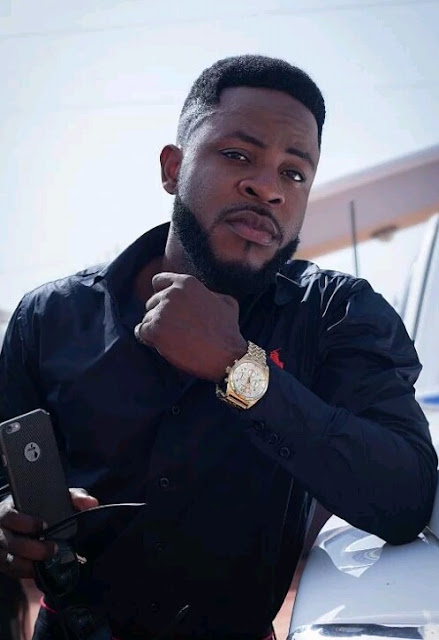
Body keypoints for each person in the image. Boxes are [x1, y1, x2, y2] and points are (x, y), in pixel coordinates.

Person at [0, 54, 437, 640]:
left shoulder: (336, 315)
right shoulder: (48, 317)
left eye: (295, 173)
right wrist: (11, 522)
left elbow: (407, 497)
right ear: (173, 168)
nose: (268, 188)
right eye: (237, 155)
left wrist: (240, 369)